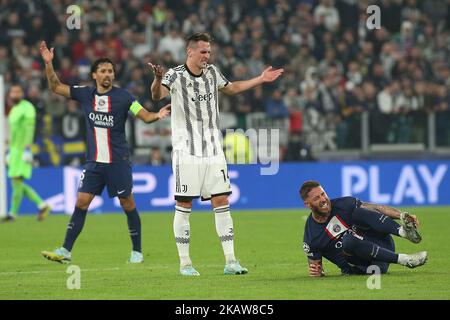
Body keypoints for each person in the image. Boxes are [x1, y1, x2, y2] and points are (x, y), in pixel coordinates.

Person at [148, 32, 284, 276]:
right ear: (189, 51)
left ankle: (231, 261)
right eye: (203, 52)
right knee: (184, 203)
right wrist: (158, 79)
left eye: (209, 52)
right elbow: (156, 96)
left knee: (221, 201)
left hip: (213, 149)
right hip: (186, 150)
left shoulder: (213, 72)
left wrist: (260, 79)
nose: (207, 56)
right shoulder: (175, 74)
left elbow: (231, 89)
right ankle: (185, 263)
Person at [38, 41, 170, 264]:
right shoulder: (84, 94)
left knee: (127, 204)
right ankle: (65, 250)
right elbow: (55, 87)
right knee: (81, 202)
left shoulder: (125, 97)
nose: (108, 74)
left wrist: (157, 115)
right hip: (94, 163)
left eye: (110, 71)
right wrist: (49, 64)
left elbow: (145, 116)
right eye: (103, 71)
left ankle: (137, 251)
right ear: (94, 75)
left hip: (118, 161)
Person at [300, 180, 428, 277]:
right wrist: (317, 272)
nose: (323, 199)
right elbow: (316, 269)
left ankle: (403, 232)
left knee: (359, 212)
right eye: (317, 198)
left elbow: (377, 209)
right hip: (368, 267)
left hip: (384, 245)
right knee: (348, 241)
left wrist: (401, 216)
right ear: (307, 204)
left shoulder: (344, 204)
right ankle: (405, 259)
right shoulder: (312, 236)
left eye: (323, 194)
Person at [2, 84, 51, 223]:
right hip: (14, 150)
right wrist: (9, 151)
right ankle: (42, 205)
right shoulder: (14, 110)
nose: (15, 94)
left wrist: (28, 149)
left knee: (16, 182)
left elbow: (30, 128)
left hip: (23, 149)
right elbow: (13, 132)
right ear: (10, 94)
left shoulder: (27, 107)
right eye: (13, 92)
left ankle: (12, 214)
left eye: (17, 92)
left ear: (22, 94)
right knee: (16, 183)